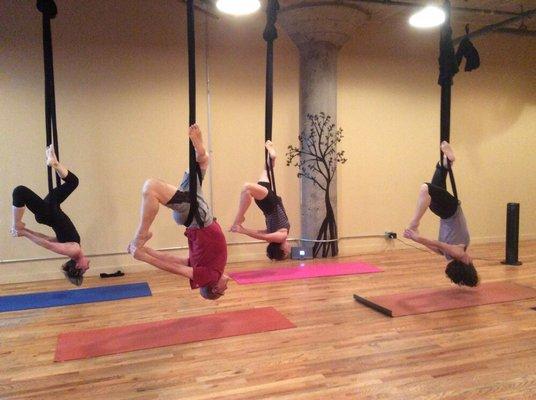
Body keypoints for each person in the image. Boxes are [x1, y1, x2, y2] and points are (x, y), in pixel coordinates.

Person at [127, 124, 229, 300]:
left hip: (199, 217)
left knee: (151, 187)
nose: (227, 287)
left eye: (223, 290)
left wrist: (144, 256)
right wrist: (148, 250)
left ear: (214, 289)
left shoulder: (210, 278)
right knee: (202, 161)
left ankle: (140, 235)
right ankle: (201, 153)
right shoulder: (210, 268)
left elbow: (177, 268)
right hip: (196, 217)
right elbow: (178, 260)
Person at [11, 145, 89, 285]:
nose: (87, 268)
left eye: (84, 270)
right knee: (73, 182)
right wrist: (26, 231)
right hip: (53, 208)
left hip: (48, 213)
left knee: (19, 191)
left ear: (78, 266)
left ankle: (16, 223)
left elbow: (46, 244)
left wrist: (23, 232)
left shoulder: (73, 251)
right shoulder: (73, 247)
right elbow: (47, 238)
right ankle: (54, 163)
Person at [404, 141, 479, 287]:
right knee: (426, 189)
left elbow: (435, 245)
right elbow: (436, 243)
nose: (471, 259)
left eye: (471, 262)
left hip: (446, 211)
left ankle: (447, 162)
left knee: (440, 171)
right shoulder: (456, 252)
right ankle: (414, 222)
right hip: (450, 210)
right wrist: (415, 235)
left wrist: (416, 238)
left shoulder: (454, 254)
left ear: (467, 264)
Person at [229, 140, 291, 260]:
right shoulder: (281, 235)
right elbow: (263, 236)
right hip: (268, 203)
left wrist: (244, 230)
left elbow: (261, 235)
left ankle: (272, 157)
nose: (290, 249)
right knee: (246, 188)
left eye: (287, 252)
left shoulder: (281, 236)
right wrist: (242, 229)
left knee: (266, 170)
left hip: (270, 202)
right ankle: (239, 218)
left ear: (282, 250)